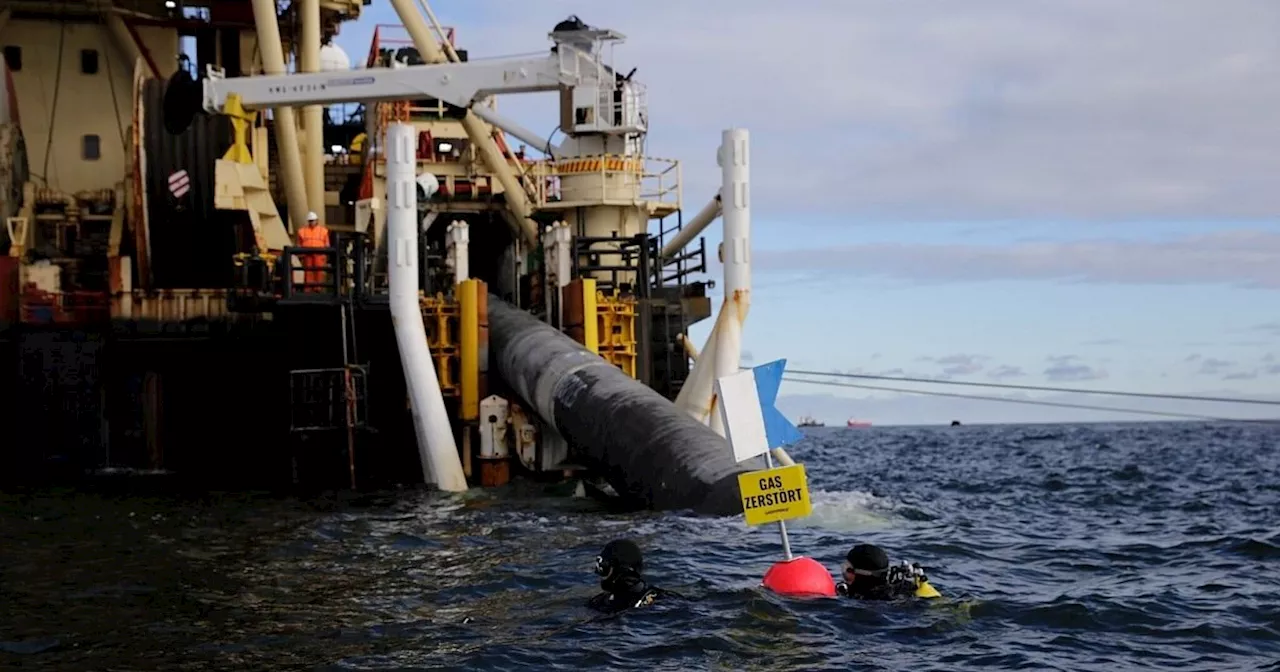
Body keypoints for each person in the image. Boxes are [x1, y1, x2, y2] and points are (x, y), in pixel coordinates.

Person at [587, 539, 676, 614]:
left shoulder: (660, 600)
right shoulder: (598, 603)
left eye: (604, 569)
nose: (602, 578)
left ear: (620, 570)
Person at [836, 543, 941, 600]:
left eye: (847, 569)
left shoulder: (866, 598)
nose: (844, 573)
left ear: (862, 574)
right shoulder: (901, 584)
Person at [296, 211, 330, 292]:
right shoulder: (302, 231)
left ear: (317, 221)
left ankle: (317, 288)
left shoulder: (323, 231)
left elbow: (327, 244)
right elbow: (298, 244)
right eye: (310, 221)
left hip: (319, 255)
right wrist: (300, 255)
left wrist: (325, 255)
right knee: (308, 271)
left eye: (313, 220)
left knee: (318, 272)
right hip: (307, 255)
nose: (311, 222)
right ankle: (308, 289)